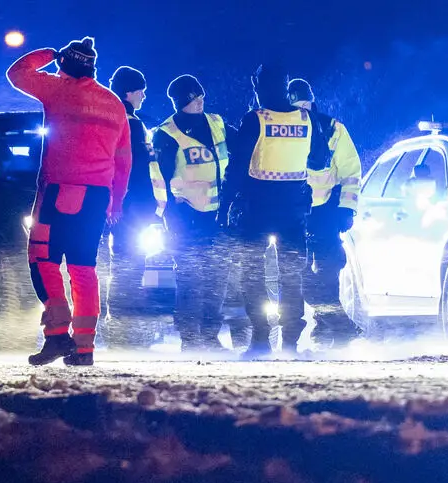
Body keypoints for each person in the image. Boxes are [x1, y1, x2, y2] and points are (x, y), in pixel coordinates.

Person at [7, 37, 133, 367]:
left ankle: (57, 335)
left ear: (66, 65)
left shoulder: (58, 90)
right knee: (83, 268)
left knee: (42, 259)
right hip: (98, 198)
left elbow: (17, 73)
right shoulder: (114, 103)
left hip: (61, 192)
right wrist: (116, 203)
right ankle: (84, 348)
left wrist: (50, 53)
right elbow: (124, 160)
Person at [225, 63, 315, 358]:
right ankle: (290, 343)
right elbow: (320, 159)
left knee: (252, 273)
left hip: (257, 210)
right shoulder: (306, 119)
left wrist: (225, 205)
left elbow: (237, 166)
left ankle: (261, 340)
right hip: (293, 211)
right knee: (291, 276)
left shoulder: (255, 119)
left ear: (259, 86)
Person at [149, 75, 232, 352]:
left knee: (217, 277)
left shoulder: (216, 123)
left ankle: (210, 335)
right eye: (194, 98)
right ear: (181, 102)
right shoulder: (167, 133)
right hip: (186, 217)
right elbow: (159, 177)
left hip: (218, 215)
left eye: (201, 97)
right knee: (191, 278)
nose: (200, 102)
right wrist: (171, 213)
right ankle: (190, 338)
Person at [287, 78, 362, 351]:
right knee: (300, 274)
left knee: (329, 270)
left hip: (325, 210)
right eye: (298, 106)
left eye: (306, 105)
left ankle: (326, 326)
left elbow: (351, 171)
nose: (303, 111)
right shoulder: (286, 129)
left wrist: (347, 207)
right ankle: (338, 324)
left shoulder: (332, 128)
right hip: (295, 212)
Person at [103, 66, 157, 346]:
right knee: (130, 266)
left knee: (112, 265)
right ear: (128, 92)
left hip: (106, 202)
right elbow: (134, 170)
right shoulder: (132, 124)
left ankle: (112, 327)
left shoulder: (104, 117)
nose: (144, 96)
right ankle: (126, 329)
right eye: (141, 91)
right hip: (130, 207)